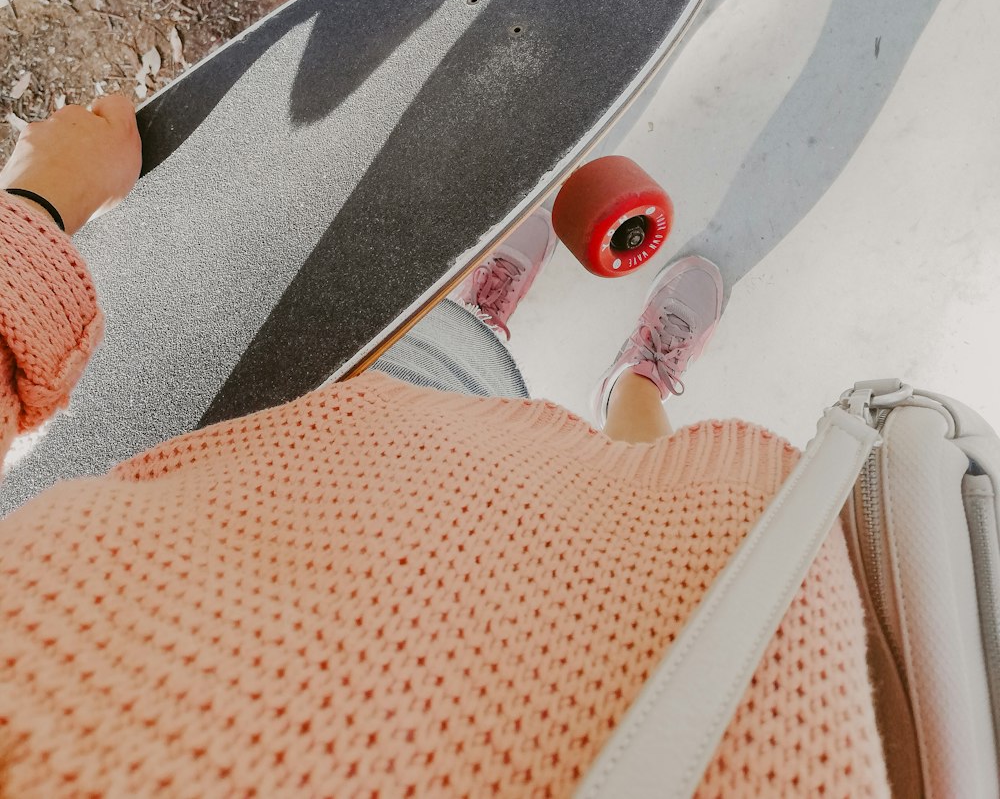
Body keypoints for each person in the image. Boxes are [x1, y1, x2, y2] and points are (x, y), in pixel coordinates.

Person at [0, 97, 890, 796]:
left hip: (299, 514)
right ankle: (638, 386)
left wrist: (39, 206)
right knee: (675, 513)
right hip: (656, 688)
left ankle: (479, 315)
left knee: (425, 382)